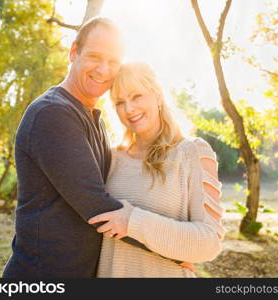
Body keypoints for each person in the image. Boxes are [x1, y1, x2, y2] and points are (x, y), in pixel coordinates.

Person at [2, 18, 153, 278]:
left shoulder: (94, 118)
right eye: (95, 56)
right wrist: (171, 248)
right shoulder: (52, 113)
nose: (104, 70)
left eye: (113, 61)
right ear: (74, 53)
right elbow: (96, 206)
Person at [88, 62, 227, 277]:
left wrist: (133, 222)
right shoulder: (110, 158)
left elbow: (209, 243)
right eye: (120, 102)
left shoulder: (192, 152)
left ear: (157, 95)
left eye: (137, 96)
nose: (129, 109)